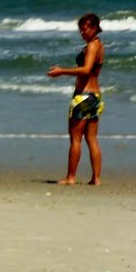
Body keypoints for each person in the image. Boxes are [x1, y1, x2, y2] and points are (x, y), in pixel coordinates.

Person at [47, 13, 104, 185]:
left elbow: (86, 70)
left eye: (84, 29)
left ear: (94, 28)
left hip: (83, 96)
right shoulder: (100, 45)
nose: (82, 32)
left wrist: (61, 71)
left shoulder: (92, 46)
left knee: (76, 139)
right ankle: (96, 178)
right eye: (80, 29)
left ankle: (71, 177)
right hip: (96, 96)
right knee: (92, 139)